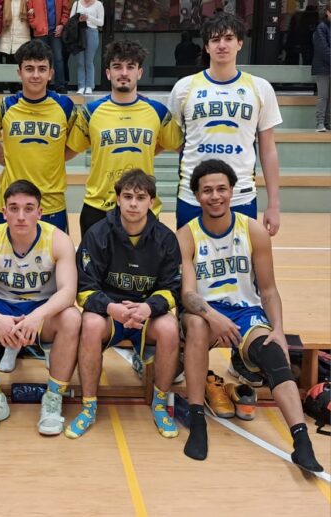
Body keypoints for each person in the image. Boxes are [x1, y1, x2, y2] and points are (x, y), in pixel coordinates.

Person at [177, 159, 323, 473]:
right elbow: (188, 294)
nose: (215, 196)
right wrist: (212, 315)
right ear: (197, 196)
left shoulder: (253, 230)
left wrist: (279, 331)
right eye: (207, 191)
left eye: (221, 189)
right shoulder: (187, 235)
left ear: (232, 191)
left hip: (247, 313)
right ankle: (197, 418)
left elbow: (268, 290)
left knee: (273, 353)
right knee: (198, 328)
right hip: (204, 314)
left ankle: (301, 440)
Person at [71, 169, 181, 440]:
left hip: (146, 314)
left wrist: (148, 308)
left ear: (152, 202)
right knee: (90, 323)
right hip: (110, 312)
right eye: (128, 196)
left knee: (169, 327)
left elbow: (173, 289)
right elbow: (83, 290)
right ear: (117, 199)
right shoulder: (97, 234)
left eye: (141, 197)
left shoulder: (166, 239)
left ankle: (159, 404)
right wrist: (112, 308)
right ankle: (88, 406)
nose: (133, 203)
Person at [0, 180, 80, 435]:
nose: (20, 216)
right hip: (2, 305)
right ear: (3, 212)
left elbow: (68, 292)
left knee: (72, 318)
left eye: (29, 208)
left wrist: (37, 316)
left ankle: (53, 399)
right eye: (13, 208)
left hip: (43, 308)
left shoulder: (58, 239)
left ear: (40, 212)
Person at [169, 12, 282, 236]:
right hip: (193, 195)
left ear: (240, 43)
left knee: (240, 266)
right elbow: (174, 139)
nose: (222, 45)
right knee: (189, 263)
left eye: (228, 38)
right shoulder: (184, 87)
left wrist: (274, 205)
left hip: (241, 194)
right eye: (215, 39)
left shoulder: (260, 88)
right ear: (207, 47)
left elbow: (268, 149)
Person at [66, 40, 183, 237]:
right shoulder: (91, 112)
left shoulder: (157, 111)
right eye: (117, 66)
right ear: (108, 73)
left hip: (142, 208)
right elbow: (67, 151)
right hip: (98, 207)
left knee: (144, 268)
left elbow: (178, 145)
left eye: (130, 67)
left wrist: (149, 150)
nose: (124, 73)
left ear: (139, 72)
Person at [0, 39, 76, 238]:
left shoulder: (65, 106)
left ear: (51, 73)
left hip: (51, 203)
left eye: (42, 69)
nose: (36, 75)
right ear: (19, 72)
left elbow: (76, 143)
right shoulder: (4, 106)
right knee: (7, 263)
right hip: (11, 202)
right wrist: (6, 159)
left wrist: (56, 158)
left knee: (53, 263)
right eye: (29, 68)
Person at [27, 0, 70, 93]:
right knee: (40, 59)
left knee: (58, 59)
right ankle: (42, 85)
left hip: (55, 33)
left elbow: (66, 11)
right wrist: (35, 24)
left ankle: (60, 86)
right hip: (40, 32)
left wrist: (62, 25)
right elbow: (29, 11)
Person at [70, 0, 104, 94]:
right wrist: (79, 19)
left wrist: (88, 17)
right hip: (79, 32)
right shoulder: (76, 3)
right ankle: (81, 86)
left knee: (89, 61)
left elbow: (101, 23)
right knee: (80, 61)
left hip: (92, 32)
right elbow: (71, 19)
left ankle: (89, 86)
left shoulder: (98, 4)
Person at [312, 3, 330, 132]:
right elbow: (323, 49)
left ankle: (328, 122)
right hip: (323, 67)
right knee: (323, 96)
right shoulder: (321, 28)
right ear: (328, 12)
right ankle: (320, 123)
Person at [0, 0, 31, 67]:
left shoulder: (27, 1)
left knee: (21, 66)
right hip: (7, 40)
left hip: (22, 40)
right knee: (8, 66)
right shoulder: (4, 2)